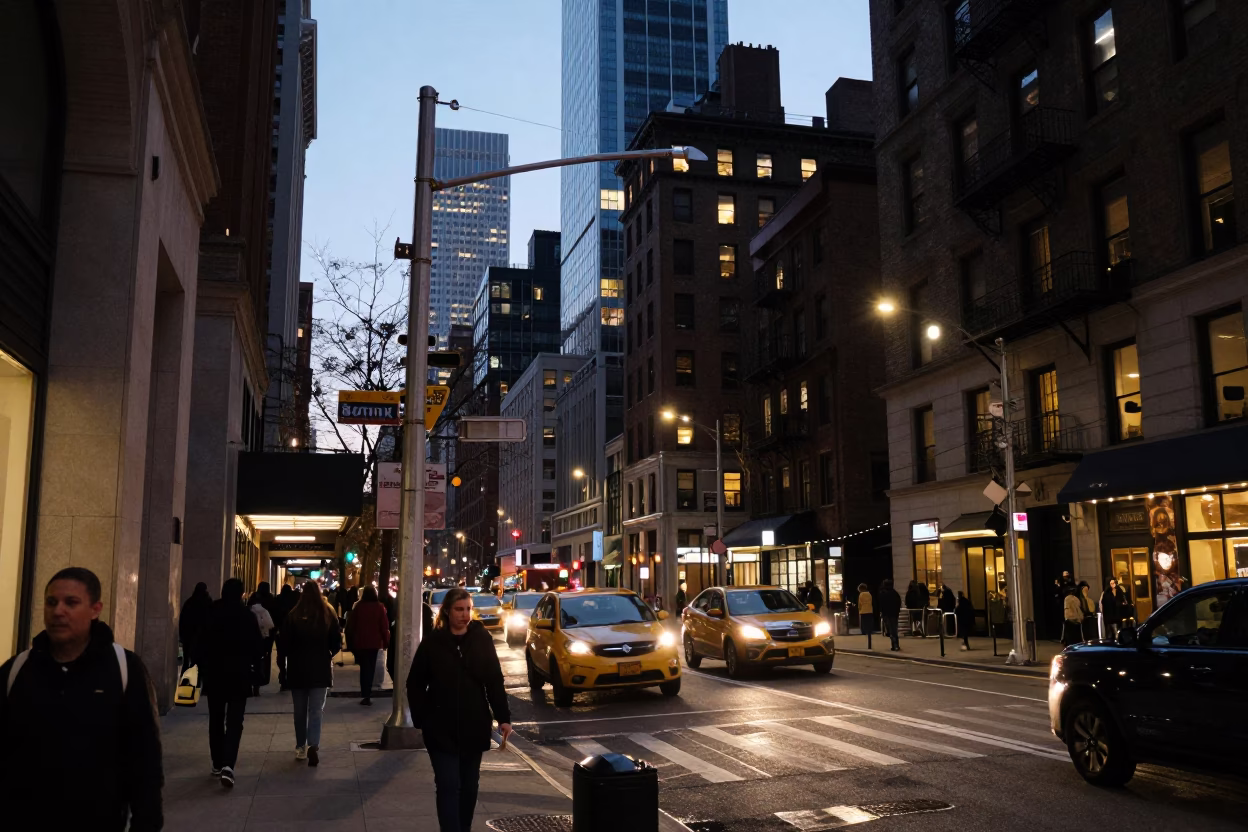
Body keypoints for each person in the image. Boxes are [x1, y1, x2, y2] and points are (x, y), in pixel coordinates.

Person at [0, 567, 163, 830]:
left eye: (71, 603)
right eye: (51, 602)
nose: (58, 611)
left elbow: (145, 757)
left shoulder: (124, 669)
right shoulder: (18, 670)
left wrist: (147, 820)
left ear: (95, 609)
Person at [407, 587, 513, 832]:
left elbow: (494, 681)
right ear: (447, 611)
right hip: (440, 728)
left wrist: (503, 718)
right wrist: (422, 718)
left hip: (473, 725)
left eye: (468, 609)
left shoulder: (481, 638)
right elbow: (415, 683)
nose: (465, 615)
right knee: (447, 785)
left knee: (469, 786)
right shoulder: (433, 642)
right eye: (459, 609)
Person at [199, 578, 263, 787]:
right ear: (241, 594)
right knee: (235, 722)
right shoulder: (247, 616)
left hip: (215, 675)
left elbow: (201, 643)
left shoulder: (211, 612)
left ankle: (217, 762)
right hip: (239, 676)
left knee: (216, 719)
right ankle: (228, 764)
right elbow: (257, 648)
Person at [281, 581, 341, 766]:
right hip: (320, 669)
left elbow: (284, 643)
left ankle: (300, 746)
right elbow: (336, 642)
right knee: (316, 710)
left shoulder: (293, 614)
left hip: (297, 669)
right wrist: (327, 653)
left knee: (299, 711)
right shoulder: (328, 613)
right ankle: (313, 744)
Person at [346, 586, 390, 705]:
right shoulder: (379, 607)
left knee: (364, 668)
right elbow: (384, 626)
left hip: (360, 642)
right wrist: (386, 642)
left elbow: (352, 625)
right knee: (371, 666)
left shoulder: (359, 607)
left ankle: (365, 693)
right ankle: (368, 692)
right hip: (374, 643)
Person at [248, 582, 277, 696]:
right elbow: (274, 619)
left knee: (252, 659)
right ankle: (260, 681)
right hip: (267, 635)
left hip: (253, 634)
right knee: (264, 658)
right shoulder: (271, 600)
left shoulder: (254, 598)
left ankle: (251, 683)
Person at [179, 581, 213, 674]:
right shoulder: (207, 602)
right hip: (202, 639)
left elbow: (183, 620)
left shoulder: (189, 602)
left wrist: (182, 636)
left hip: (189, 637)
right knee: (200, 664)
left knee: (187, 662)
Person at [274, 583, 297, 690]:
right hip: (292, 632)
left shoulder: (278, 600)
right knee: (292, 655)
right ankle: (290, 677)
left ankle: (283, 676)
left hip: (280, 632)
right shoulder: (294, 600)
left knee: (281, 655)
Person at [878, 578, 903, 652]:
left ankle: (894, 644)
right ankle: (895, 644)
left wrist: (882, 612)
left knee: (890, 629)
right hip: (894, 613)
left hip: (887, 614)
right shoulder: (894, 593)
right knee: (894, 629)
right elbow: (898, 603)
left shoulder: (883, 593)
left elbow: (881, 604)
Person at [856, 583, 874, 649]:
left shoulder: (861, 594)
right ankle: (869, 631)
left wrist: (859, 609)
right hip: (870, 610)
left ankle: (864, 632)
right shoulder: (869, 594)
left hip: (863, 611)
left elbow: (860, 603)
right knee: (869, 622)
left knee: (863, 622)